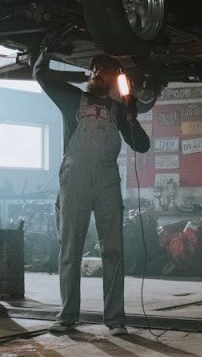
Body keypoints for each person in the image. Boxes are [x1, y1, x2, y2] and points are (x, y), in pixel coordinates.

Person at [34, 48, 150, 336]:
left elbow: (142, 145)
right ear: (90, 74)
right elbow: (41, 75)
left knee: (113, 249)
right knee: (70, 247)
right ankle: (67, 316)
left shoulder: (120, 109)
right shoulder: (72, 97)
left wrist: (132, 114)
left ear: (113, 80)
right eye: (95, 68)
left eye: (105, 70)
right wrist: (46, 51)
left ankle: (115, 320)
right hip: (75, 175)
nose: (98, 73)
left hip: (106, 178)